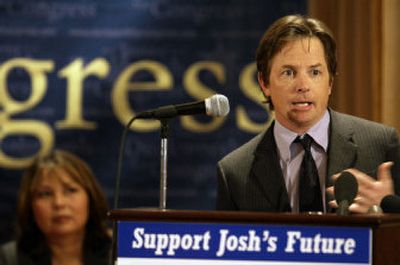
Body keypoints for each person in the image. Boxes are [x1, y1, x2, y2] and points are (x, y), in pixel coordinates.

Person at [216, 14, 400, 214]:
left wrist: (388, 209)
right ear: (264, 83)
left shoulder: (381, 145)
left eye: (314, 72)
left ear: (330, 82)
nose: (303, 86)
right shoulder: (235, 172)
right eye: (288, 73)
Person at [0, 150, 111, 265]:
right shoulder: (9, 259)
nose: (59, 203)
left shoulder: (118, 253)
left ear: (90, 197)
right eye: (45, 194)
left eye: (70, 190)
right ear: (30, 205)